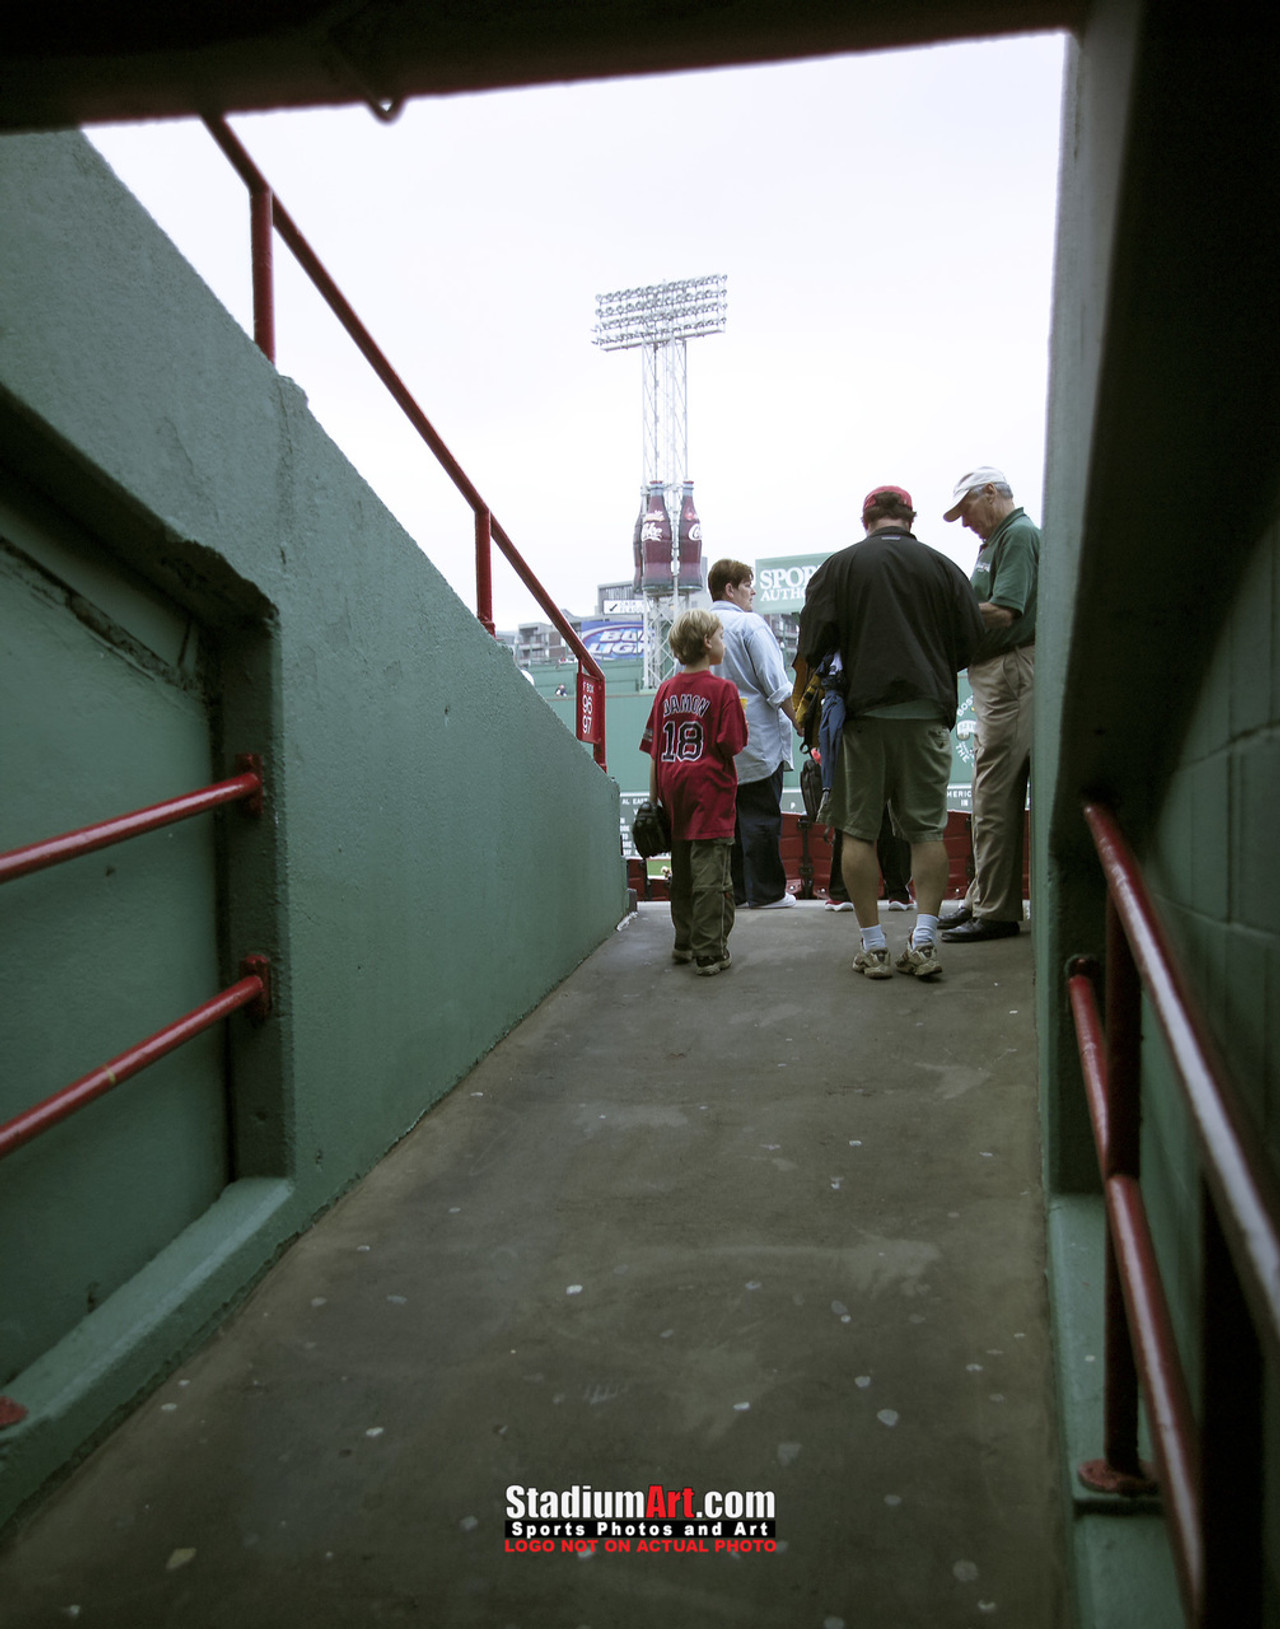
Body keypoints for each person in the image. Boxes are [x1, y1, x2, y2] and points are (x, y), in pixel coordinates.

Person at [798, 485, 984, 980]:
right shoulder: (942, 567)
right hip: (925, 713)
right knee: (925, 830)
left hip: (862, 717)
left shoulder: (840, 567)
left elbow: (814, 643)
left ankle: (874, 947)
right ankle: (923, 942)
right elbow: (970, 640)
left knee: (858, 829)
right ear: (910, 518)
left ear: (866, 521)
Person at [939, 467, 1039, 943]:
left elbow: (1005, 611)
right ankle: (983, 898)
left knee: (995, 792)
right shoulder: (1001, 539)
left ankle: (996, 910)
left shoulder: (1017, 535)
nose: (965, 523)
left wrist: (945, 608)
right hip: (1000, 673)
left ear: (992, 494)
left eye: (967, 510)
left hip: (1011, 669)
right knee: (987, 792)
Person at [640, 609, 749, 976]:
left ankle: (684, 941)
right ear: (706, 643)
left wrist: (652, 800)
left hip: (674, 797)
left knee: (683, 875)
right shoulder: (724, 690)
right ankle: (710, 952)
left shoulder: (666, 690)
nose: (723, 642)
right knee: (712, 880)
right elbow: (732, 744)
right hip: (711, 797)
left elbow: (655, 751)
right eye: (720, 636)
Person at [708, 558, 799, 909]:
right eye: (748, 584)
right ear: (730, 589)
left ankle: (740, 893)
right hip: (757, 741)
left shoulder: (697, 625)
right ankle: (768, 892)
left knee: (729, 824)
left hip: (716, 745)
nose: (754, 591)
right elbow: (777, 687)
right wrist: (802, 725)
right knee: (761, 817)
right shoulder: (749, 624)